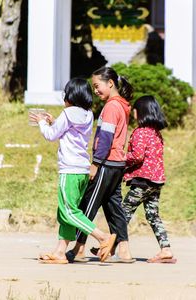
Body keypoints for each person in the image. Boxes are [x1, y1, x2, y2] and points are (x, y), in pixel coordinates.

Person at [29, 78, 116, 264]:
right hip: (82, 170)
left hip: (69, 169)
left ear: (70, 95)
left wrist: (42, 123)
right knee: (65, 213)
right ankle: (60, 252)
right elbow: (70, 132)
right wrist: (55, 121)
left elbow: (51, 135)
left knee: (69, 212)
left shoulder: (67, 113)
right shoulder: (88, 114)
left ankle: (102, 237)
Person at [67, 67, 135, 263]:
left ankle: (79, 249)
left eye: (97, 86)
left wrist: (96, 163)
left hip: (106, 163)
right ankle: (124, 251)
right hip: (117, 165)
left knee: (88, 204)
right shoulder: (122, 105)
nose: (95, 91)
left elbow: (106, 137)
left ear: (110, 83)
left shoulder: (112, 107)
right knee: (115, 208)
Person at [122, 95, 177, 263]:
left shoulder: (140, 132)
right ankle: (165, 249)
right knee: (153, 215)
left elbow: (137, 156)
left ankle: (111, 246)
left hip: (142, 181)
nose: (133, 114)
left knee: (123, 212)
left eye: (135, 111)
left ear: (141, 112)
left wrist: (122, 157)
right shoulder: (156, 133)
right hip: (156, 181)